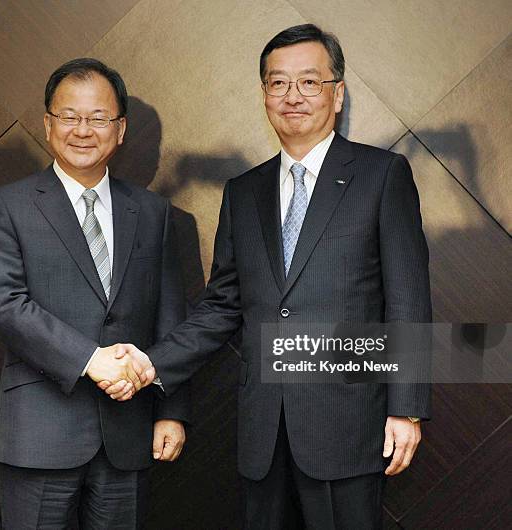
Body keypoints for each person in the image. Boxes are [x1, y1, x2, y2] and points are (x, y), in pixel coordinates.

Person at [102, 24, 431, 529]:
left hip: (350, 425)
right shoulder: (244, 191)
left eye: (309, 82)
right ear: (264, 94)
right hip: (263, 429)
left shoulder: (382, 175)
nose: (293, 96)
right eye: (278, 83)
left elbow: (407, 300)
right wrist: (149, 362)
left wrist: (405, 409)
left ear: (337, 94)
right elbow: (222, 305)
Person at [0, 57, 189, 529]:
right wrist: (91, 360)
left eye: (97, 118)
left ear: (120, 129)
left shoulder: (153, 213)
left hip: (129, 431)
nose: (82, 129)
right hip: (39, 433)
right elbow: (6, 305)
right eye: (69, 116)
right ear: (48, 124)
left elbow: (170, 318)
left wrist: (171, 410)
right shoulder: (8, 206)